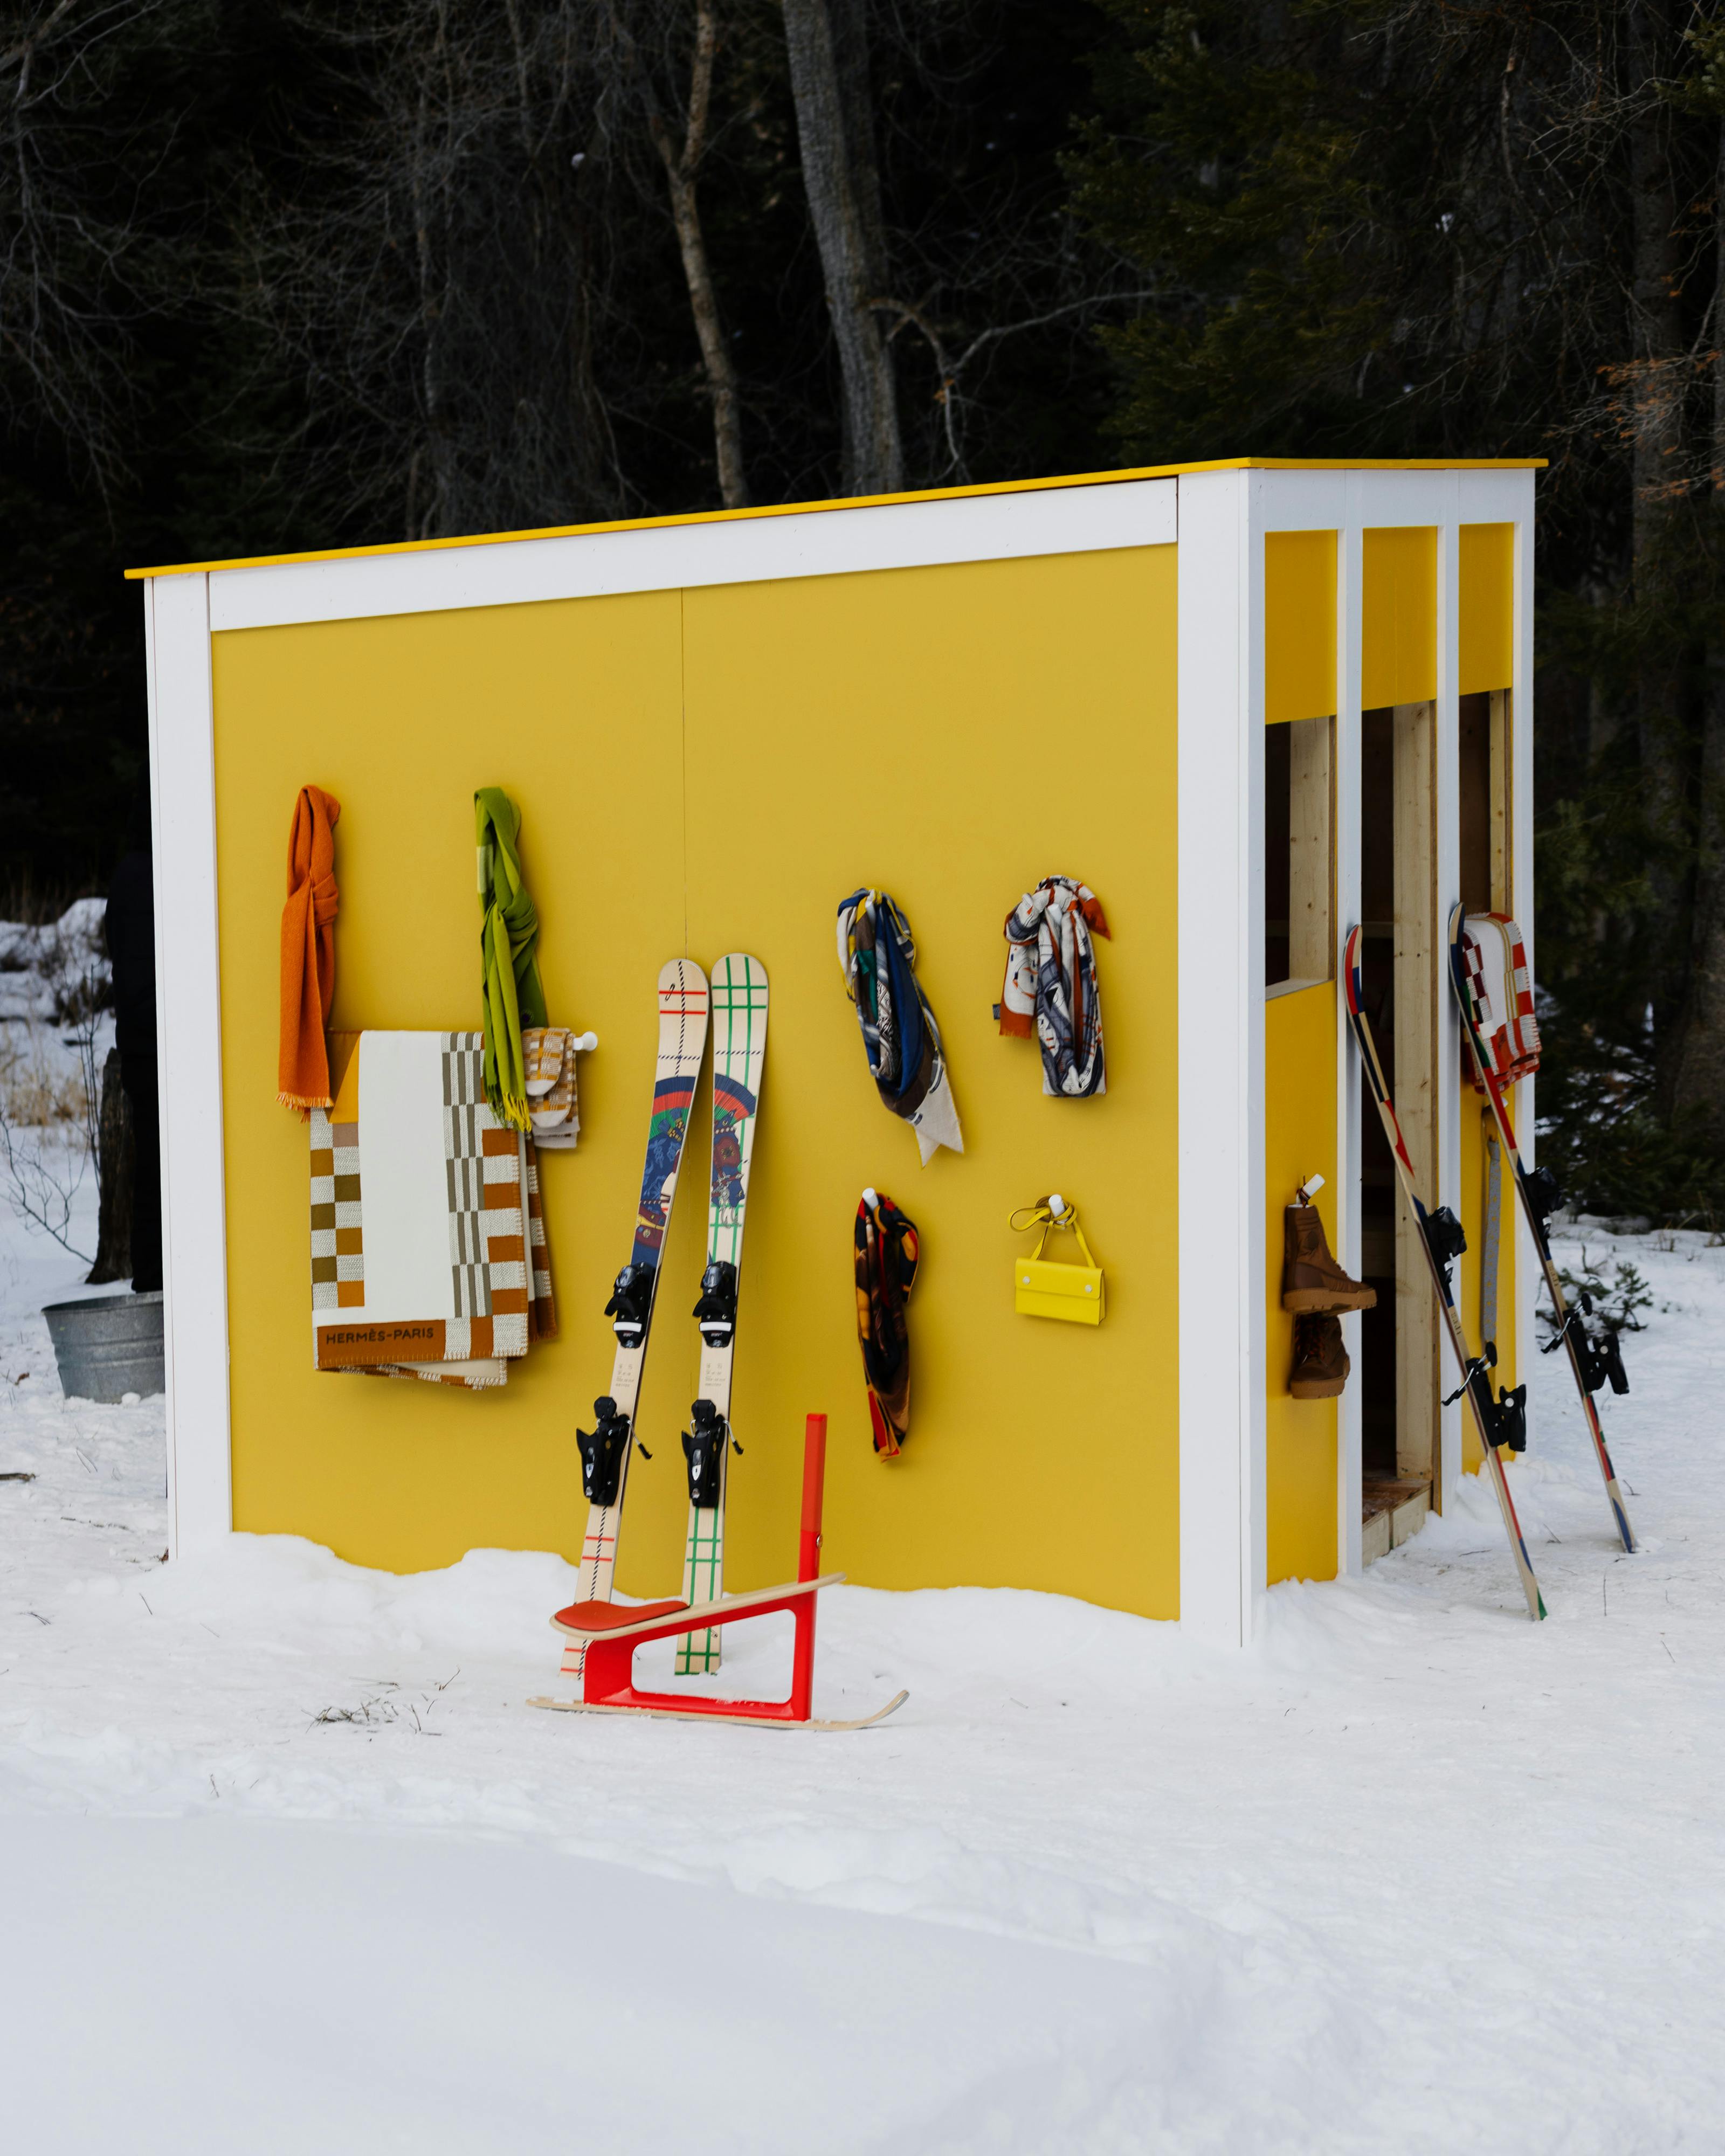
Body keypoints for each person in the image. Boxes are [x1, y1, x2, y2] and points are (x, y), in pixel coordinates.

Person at [105, 789, 160, 1294]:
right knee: (166, 1169)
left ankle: (151, 1278)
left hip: (137, 1047)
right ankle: (158, 1279)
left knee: (149, 1167)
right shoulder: (161, 874)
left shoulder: (124, 878)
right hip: (163, 1044)